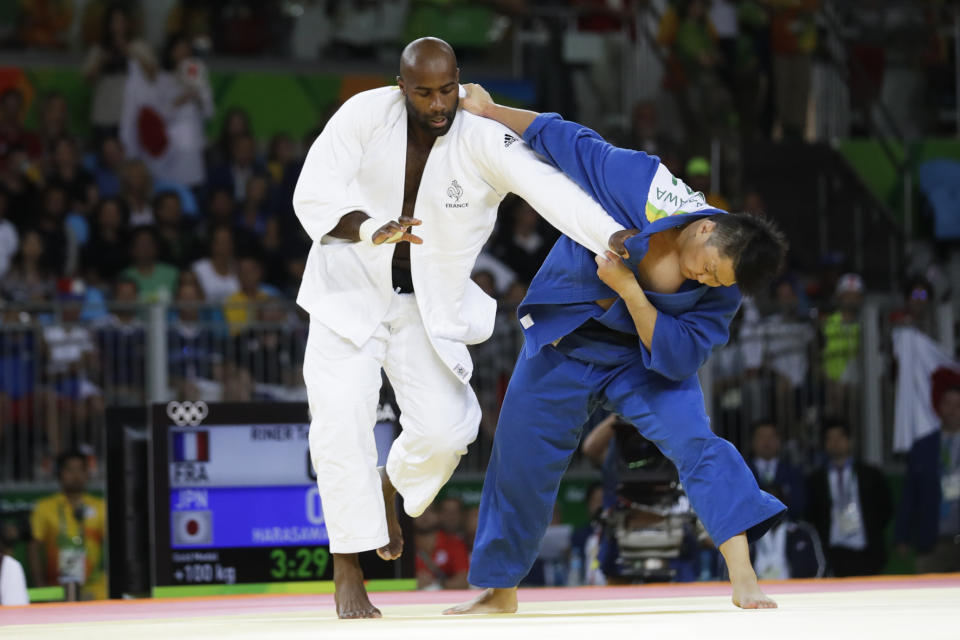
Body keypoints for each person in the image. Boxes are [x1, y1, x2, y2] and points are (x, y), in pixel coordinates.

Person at [293, 37, 631, 619]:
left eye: (446, 88)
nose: (437, 102)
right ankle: (348, 565)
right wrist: (373, 228)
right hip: (346, 293)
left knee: (450, 431)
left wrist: (609, 235)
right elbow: (313, 193)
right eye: (423, 91)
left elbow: (549, 190)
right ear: (402, 87)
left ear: (458, 80)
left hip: (427, 306)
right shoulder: (364, 115)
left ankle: (389, 487)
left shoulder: (481, 139)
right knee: (339, 422)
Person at [444, 83, 789, 616]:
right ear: (706, 225)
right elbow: (567, 140)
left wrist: (631, 291)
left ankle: (744, 576)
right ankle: (499, 589)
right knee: (518, 459)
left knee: (699, 444)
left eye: (718, 281)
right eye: (707, 265)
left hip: (645, 364)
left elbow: (679, 358)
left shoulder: (723, 293)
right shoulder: (646, 186)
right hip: (569, 339)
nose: (706, 279)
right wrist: (490, 111)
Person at [806, 419, 892, 576]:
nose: (835, 443)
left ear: (850, 441)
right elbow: (811, 514)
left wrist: (872, 528)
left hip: (865, 551)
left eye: (840, 437)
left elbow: (885, 509)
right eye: (830, 438)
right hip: (831, 553)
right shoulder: (816, 479)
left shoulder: (870, 474)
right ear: (824, 444)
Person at [894, 368, 960, 572]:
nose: (952, 410)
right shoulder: (924, 447)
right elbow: (909, 495)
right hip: (932, 542)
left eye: (958, 405)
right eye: (947, 404)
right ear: (938, 406)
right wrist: (901, 536)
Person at [28, 450, 107, 600]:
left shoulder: (101, 507)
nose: (75, 475)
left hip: (96, 590)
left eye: (80, 470)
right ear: (59, 473)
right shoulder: (44, 507)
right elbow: (34, 548)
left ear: (87, 473)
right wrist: (40, 586)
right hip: (56, 588)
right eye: (69, 470)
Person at [748, 419, 807, 516]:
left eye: (771, 437)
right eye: (761, 437)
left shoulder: (793, 472)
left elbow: (800, 504)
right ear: (752, 442)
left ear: (779, 441)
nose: (766, 442)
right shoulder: (740, 473)